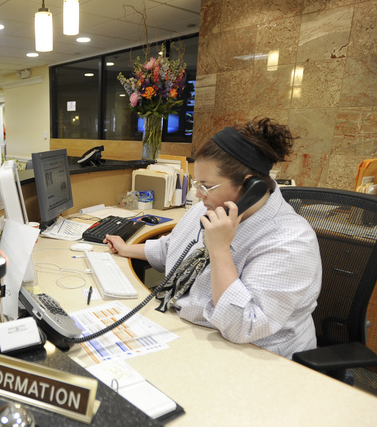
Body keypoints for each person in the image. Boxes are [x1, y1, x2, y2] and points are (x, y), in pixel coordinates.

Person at [105, 118, 321, 359]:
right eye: (198, 183)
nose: (198, 194)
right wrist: (127, 249)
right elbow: (173, 249)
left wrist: (220, 250)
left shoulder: (291, 241)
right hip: (193, 331)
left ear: (252, 188)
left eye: (206, 186)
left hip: (257, 355)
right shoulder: (210, 209)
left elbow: (243, 326)